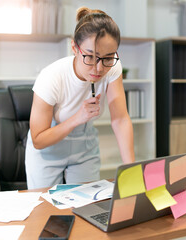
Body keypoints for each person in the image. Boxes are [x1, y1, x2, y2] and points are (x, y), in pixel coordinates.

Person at [25, 7, 135, 189]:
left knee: (87, 206)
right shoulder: (52, 77)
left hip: (84, 146)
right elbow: (38, 139)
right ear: (75, 48)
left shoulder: (113, 67)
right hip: (48, 149)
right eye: (90, 57)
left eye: (108, 58)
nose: (99, 68)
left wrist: (131, 169)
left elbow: (121, 119)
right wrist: (77, 118)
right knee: (46, 210)